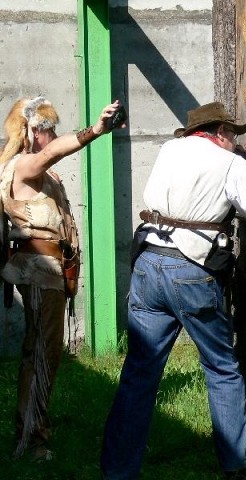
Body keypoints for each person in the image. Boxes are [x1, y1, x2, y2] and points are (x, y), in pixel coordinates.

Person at [100, 101, 246, 480]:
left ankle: (118, 471)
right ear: (218, 133)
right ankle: (234, 468)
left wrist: (244, 161)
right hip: (191, 269)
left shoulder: (170, 149)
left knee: (139, 374)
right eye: (232, 134)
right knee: (222, 368)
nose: (235, 140)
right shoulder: (230, 164)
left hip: (148, 261)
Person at [0, 96, 124, 461]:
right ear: (33, 132)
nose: (53, 134)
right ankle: (32, 441)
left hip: (49, 274)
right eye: (48, 129)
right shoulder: (24, 165)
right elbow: (50, 155)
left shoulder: (36, 169)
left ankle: (31, 431)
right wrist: (95, 130)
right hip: (38, 272)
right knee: (42, 353)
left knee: (42, 352)